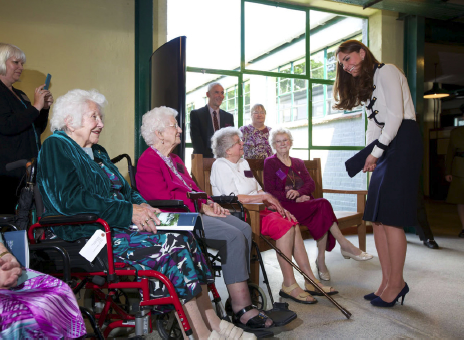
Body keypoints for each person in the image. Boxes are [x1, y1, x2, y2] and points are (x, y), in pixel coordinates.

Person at [37, 90, 253, 340]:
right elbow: (70, 201)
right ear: (70, 121)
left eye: (101, 117)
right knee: (171, 245)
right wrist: (128, 211)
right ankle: (200, 333)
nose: (101, 123)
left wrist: (148, 209)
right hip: (84, 235)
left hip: (115, 226)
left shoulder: (99, 153)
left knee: (185, 236)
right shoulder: (57, 146)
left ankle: (213, 322)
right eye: (94, 117)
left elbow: (128, 192)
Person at [136, 107, 275, 333]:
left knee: (243, 228)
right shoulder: (148, 161)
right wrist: (201, 207)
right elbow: (161, 200)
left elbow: (194, 188)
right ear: (159, 133)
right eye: (174, 125)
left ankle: (235, 295)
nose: (180, 129)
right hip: (174, 218)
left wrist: (210, 202)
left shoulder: (174, 159)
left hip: (193, 211)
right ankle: (241, 307)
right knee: (232, 236)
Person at [0, 154, 85, 338]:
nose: (99, 124)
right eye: (94, 121)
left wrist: (2, 254)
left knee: (57, 291)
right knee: (15, 314)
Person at [334, 40, 423, 307]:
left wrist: (377, 152)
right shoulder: (367, 84)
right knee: (378, 218)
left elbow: (396, 116)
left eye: (348, 59)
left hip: (404, 140)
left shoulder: (387, 71)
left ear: (362, 53)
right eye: (342, 64)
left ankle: (397, 283)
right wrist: (369, 156)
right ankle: (387, 281)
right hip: (386, 144)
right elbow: (374, 126)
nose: (346, 66)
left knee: (392, 217)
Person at [210, 127, 338, 305]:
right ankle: (289, 284)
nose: (243, 144)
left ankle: (310, 280)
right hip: (243, 215)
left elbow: (259, 189)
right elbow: (232, 198)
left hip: (260, 210)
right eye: (239, 142)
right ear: (228, 149)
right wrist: (263, 197)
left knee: (292, 221)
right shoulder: (221, 166)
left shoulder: (243, 163)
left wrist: (275, 205)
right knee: (285, 228)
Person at [264, 128, 372, 281]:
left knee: (321, 212)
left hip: (303, 206)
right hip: (285, 207)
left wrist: (300, 193)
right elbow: (270, 191)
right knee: (322, 205)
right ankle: (342, 247)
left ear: (291, 142)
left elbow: (310, 184)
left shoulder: (298, 163)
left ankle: (321, 260)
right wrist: (294, 198)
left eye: (285, 140)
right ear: (273, 144)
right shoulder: (271, 163)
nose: (282, 144)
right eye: (278, 141)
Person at [0, 43, 53, 214]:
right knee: (0, 219)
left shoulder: (19, 95)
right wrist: (35, 107)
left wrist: (43, 109)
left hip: (20, 174)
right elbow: (7, 125)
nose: (21, 68)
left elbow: (33, 129)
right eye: (16, 62)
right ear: (0, 62)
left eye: (22, 64)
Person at [190, 82, 234, 158]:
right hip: (202, 162)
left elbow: (231, 141)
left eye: (222, 93)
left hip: (224, 161)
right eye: (216, 92)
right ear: (208, 94)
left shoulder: (228, 117)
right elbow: (197, 142)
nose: (220, 96)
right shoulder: (196, 115)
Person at [445, 123, 464, 238]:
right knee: (460, 199)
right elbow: (450, 152)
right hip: (459, 168)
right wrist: (448, 171)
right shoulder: (456, 132)